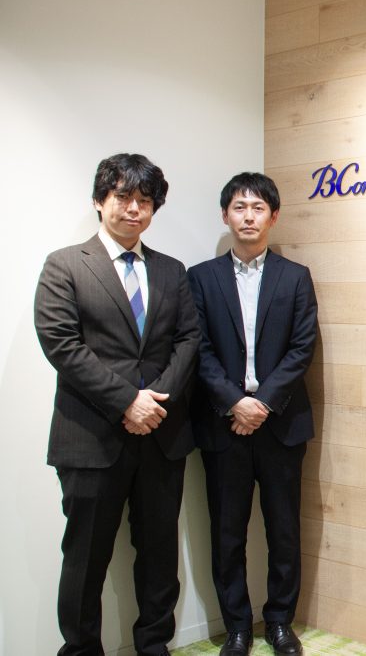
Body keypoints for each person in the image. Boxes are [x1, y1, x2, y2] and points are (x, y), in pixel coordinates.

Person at [34, 153, 200, 656]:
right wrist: (128, 401)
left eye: (144, 201)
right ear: (99, 200)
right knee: (85, 560)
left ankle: (154, 646)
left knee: (158, 556)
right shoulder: (65, 264)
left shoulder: (171, 270)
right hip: (91, 438)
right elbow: (61, 344)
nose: (134, 209)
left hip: (161, 437)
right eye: (123, 197)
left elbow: (188, 340)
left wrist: (155, 404)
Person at [187, 173, 318, 656]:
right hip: (223, 424)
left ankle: (280, 622)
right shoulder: (200, 278)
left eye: (258, 208)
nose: (248, 216)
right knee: (227, 532)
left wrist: (261, 403)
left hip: (280, 423)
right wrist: (234, 402)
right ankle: (237, 626)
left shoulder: (296, 276)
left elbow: (302, 348)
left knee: (284, 530)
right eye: (239, 207)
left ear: (273, 216)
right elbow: (198, 349)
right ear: (226, 215)